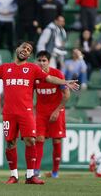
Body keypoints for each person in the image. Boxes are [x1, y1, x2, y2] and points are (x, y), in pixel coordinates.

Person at [0, 41, 79, 184]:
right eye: (24, 47)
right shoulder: (5, 68)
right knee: (10, 142)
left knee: (31, 140)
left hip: (26, 112)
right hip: (9, 112)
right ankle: (14, 175)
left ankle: (30, 176)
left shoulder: (33, 69)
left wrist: (64, 82)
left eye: (29, 50)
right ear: (18, 48)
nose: (25, 50)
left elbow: (49, 78)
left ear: (29, 55)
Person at [34, 50, 70, 178]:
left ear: (49, 62)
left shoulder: (57, 74)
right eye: (39, 60)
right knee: (39, 139)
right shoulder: (35, 76)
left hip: (56, 110)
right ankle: (35, 171)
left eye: (44, 60)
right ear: (36, 61)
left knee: (57, 140)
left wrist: (57, 110)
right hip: (41, 112)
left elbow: (67, 95)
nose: (41, 63)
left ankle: (55, 172)